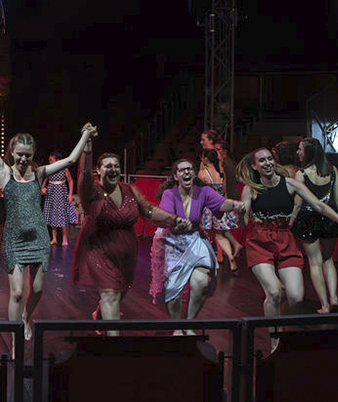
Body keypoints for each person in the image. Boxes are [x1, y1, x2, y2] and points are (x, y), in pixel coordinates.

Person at [0, 100, 95, 340]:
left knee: (36, 289)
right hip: (15, 240)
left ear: (33, 154)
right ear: (12, 152)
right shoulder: (4, 172)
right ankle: (15, 338)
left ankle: (26, 317)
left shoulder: (39, 173)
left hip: (38, 238)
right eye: (19, 154)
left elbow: (70, 160)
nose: (23, 159)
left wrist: (86, 135)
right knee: (17, 292)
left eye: (28, 155)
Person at [72, 140, 189, 335]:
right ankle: (114, 343)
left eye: (116, 166)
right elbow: (84, 174)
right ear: (98, 170)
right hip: (98, 250)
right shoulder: (92, 192)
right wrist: (87, 150)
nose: (113, 169)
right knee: (111, 294)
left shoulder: (130, 190)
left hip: (126, 253)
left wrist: (174, 219)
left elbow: (149, 210)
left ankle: (101, 315)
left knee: (119, 292)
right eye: (108, 166)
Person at [236, 148, 338, 331]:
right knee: (274, 293)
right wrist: (240, 214)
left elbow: (318, 205)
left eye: (270, 159)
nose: (267, 163)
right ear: (254, 166)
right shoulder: (250, 189)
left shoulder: (291, 184)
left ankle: (282, 330)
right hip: (260, 241)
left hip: (285, 239)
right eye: (262, 160)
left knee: (296, 297)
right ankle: (275, 338)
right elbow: (243, 225)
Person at [150, 159, 244, 334]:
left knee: (201, 282)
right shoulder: (170, 194)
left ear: (194, 173)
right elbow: (165, 217)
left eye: (189, 169)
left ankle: (189, 324)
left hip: (194, 240)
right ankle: (177, 328)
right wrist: (177, 222)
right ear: (175, 176)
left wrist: (234, 204)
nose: (186, 172)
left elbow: (221, 203)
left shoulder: (203, 191)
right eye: (182, 170)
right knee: (173, 290)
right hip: (173, 243)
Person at [291, 138, 338, 313]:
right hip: (329, 219)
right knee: (328, 259)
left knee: (315, 263)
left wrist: (289, 223)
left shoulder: (301, 174)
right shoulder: (333, 171)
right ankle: (334, 299)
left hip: (307, 219)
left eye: (300, 149)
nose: (297, 152)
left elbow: (298, 203)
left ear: (308, 153)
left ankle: (324, 305)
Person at [200, 130, 243, 271]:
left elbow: (199, 191)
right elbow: (223, 190)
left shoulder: (203, 173)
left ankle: (207, 260)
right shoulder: (220, 174)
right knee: (220, 235)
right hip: (219, 205)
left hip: (208, 207)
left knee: (206, 234)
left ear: (206, 159)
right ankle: (230, 256)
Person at [41, 151, 76, 246]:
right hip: (51, 194)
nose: (50, 162)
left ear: (58, 160)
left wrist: (70, 194)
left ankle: (64, 239)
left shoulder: (64, 170)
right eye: (49, 160)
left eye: (51, 160)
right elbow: (45, 181)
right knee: (52, 215)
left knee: (61, 216)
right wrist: (42, 188)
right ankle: (54, 239)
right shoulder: (50, 170)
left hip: (61, 193)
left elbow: (70, 181)